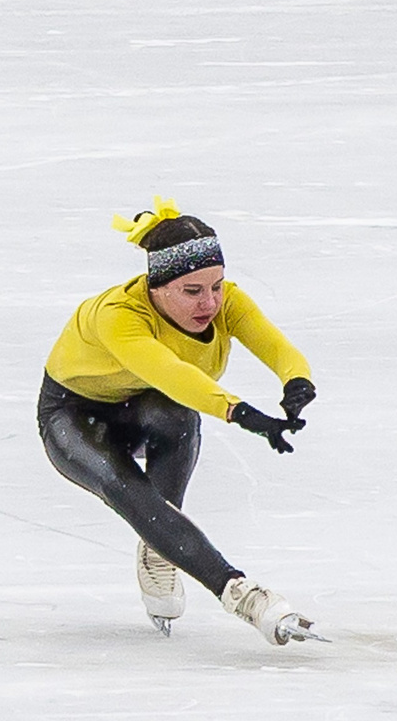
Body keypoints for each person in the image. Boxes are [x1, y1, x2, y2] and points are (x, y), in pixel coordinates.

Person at [38, 197, 321, 644]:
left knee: (175, 416)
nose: (210, 302)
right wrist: (242, 413)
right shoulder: (119, 318)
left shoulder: (225, 303)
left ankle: (159, 542)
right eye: (192, 291)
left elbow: (277, 346)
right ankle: (241, 594)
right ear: (156, 288)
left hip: (148, 405)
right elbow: (175, 374)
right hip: (73, 415)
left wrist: (297, 381)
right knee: (128, 489)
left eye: (217, 286)